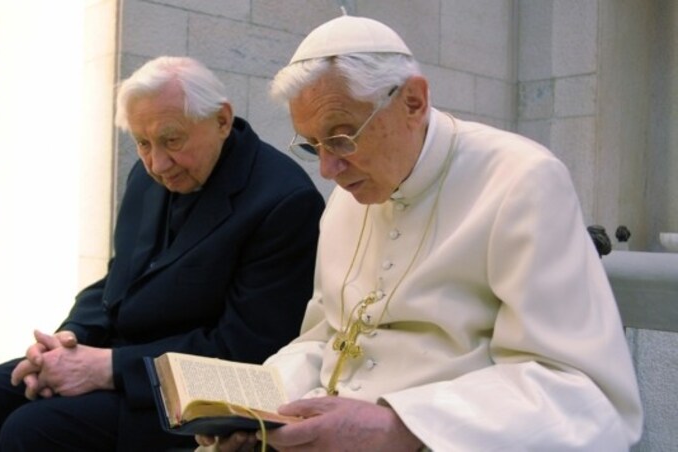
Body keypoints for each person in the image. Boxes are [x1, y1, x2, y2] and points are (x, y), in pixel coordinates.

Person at [199, 15, 643, 451]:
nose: (328, 170)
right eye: (313, 145)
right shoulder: (344, 203)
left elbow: (579, 395)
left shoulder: (522, 181)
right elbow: (323, 338)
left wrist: (402, 426)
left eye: (341, 137)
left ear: (412, 101)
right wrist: (256, 405)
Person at [0, 56, 325, 451]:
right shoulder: (148, 175)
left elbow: (245, 348)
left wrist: (108, 369)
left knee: (32, 429)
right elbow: (117, 280)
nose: (158, 164)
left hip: (191, 401)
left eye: (172, 140)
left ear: (222, 121)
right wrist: (67, 342)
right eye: (143, 143)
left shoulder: (285, 201)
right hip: (118, 358)